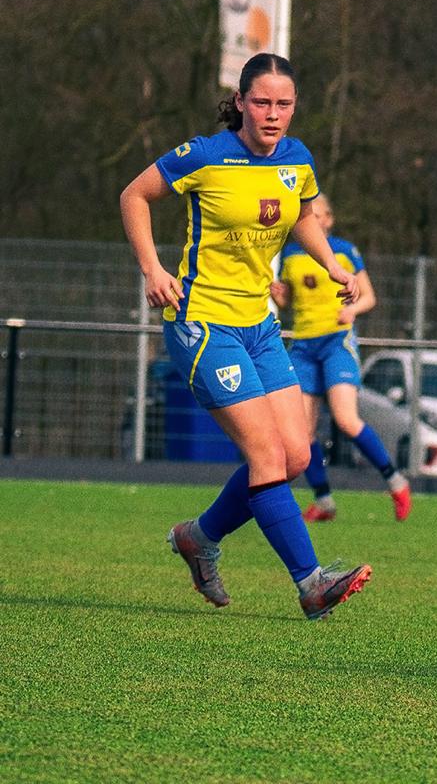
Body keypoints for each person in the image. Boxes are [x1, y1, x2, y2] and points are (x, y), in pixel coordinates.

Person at [120, 53, 372, 620]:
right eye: (262, 102)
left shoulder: (297, 159)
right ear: (240, 102)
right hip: (203, 324)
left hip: (259, 325)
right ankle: (311, 583)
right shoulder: (206, 155)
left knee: (295, 455)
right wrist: (153, 270)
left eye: (284, 104)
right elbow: (133, 196)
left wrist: (331, 264)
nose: (273, 113)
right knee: (264, 453)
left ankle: (199, 537)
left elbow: (301, 216)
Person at [271, 195, 412, 523]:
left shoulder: (345, 252)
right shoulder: (290, 255)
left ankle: (396, 481)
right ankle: (324, 501)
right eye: (308, 214)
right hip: (304, 346)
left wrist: (351, 309)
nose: (314, 220)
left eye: (319, 215)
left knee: (346, 419)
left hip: (337, 342)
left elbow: (369, 297)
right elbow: (293, 299)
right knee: (302, 435)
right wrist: (283, 298)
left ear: (329, 220)